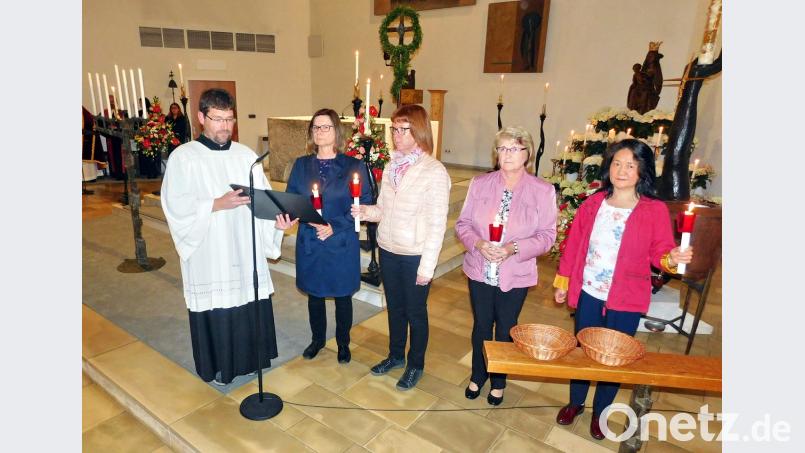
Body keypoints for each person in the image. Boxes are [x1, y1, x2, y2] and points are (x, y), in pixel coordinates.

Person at [552, 139, 693, 440]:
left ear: (642, 170)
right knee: (584, 351)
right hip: (590, 290)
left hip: (625, 298)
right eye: (617, 163)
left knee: (614, 357)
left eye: (630, 165)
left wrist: (672, 258)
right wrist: (564, 281)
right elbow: (574, 244)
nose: (622, 170)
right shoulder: (594, 203)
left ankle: (601, 412)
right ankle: (575, 402)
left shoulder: (653, 210)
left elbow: (661, 251)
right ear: (609, 166)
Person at [161, 88, 297, 386]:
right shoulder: (184, 157)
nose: (224, 126)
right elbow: (174, 205)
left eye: (229, 119)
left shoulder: (246, 155)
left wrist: (277, 222)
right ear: (200, 118)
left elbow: (263, 201)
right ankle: (220, 367)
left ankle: (252, 361)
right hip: (209, 249)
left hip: (242, 245)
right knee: (219, 303)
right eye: (217, 119)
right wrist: (214, 204)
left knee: (247, 297)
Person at [455, 126, 557, 406]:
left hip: (516, 271)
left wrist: (513, 248)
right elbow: (462, 224)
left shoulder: (543, 190)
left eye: (514, 148)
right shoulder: (480, 183)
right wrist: (478, 243)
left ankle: (498, 380)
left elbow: (548, 236)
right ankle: (478, 374)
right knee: (481, 325)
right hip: (480, 267)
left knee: (506, 328)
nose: (507, 154)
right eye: (502, 148)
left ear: (528, 153)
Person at [352, 104, 450, 391]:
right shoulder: (393, 164)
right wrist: (366, 212)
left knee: (414, 312)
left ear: (418, 130)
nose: (395, 134)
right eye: (393, 129)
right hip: (388, 249)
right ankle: (395, 355)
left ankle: (415, 364)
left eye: (402, 129)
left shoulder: (434, 171)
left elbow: (436, 224)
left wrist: (427, 267)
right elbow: (384, 209)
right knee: (393, 308)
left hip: (415, 254)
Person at [285, 108, 372, 364]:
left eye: (326, 127)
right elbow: (292, 200)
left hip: (340, 240)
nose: (320, 132)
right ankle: (317, 339)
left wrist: (335, 225)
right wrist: (288, 216)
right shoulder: (301, 165)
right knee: (315, 294)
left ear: (336, 131)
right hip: (311, 240)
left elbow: (364, 203)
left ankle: (343, 342)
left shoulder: (353, 166)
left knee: (343, 296)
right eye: (316, 127)